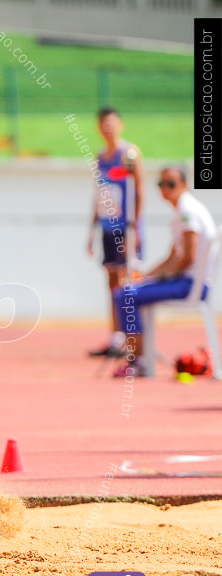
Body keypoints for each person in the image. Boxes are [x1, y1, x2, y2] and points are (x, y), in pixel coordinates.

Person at [111, 166, 218, 378]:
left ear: (184, 185)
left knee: (125, 296)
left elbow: (187, 257)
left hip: (191, 285)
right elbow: (172, 257)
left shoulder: (188, 212)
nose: (165, 189)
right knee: (129, 290)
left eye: (171, 184)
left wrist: (154, 278)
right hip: (185, 281)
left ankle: (138, 361)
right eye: (161, 184)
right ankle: (140, 356)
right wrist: (146, 277)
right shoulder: (181, 211)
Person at [88, 107, 145, 359]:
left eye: (111, 123)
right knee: (111, 281)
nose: (107, 128)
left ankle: (131, 339)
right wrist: (91, 230)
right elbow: (98, 194)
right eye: (103, 124)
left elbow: (139, 189)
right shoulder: (100, 157)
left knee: (126, 280)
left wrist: (136, 225)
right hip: (107, 226)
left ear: (120, 124)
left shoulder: (129, 154)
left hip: (125, 227)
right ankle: (116, 337)